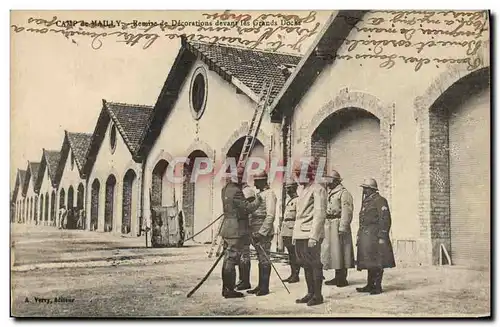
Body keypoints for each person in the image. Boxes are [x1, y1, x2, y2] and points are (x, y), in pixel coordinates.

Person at [220, 165, 261, 299]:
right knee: (232, 259)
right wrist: (258, 201)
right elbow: (247, 208)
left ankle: (225, 288)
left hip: (227, 228)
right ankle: (229, 290)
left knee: (227, 259)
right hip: (236, 229)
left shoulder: (225, 189)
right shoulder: (237, 191)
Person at [292, 163, 327, 306]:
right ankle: (310, 293)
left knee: (314, 264)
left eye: (299, 174)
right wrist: (295, 235)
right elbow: (299, 215)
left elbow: (320, 213)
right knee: (305, 264)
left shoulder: (318, 189)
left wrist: (314, 236)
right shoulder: (303, 190)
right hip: (301, 233)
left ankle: (318, 295)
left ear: (308, 174)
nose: (297, 178)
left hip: (310, 234)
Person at [356, 178, 396, 295]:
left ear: (372, 189)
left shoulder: (380, 200)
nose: (364, 191)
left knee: (377, 261)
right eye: (364, 188)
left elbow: (385, 218)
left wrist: (382, 235)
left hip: (375, 236)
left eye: (366, 188)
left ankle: (377, 286)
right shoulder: (367, 201)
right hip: (367, 236)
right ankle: (369, 285)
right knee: (369, 261)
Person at [321, 171, 355, 287]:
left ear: (335, 181)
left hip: (338, 224)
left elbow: (347, 211)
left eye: (329, 180)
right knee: (334, 252)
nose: (327, 183)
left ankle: (342, 278)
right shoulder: (330, 192)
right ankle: (337, 276)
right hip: (330, 224)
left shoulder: (344, 193)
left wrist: (343, 227)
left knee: (342, 251)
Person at [246, 171, 277, 297]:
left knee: (264, 258)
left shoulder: (270, 194)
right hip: (255, 230)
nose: (254, 183)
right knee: (260, 258)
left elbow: (270, 215)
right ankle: (260, 285)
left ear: (263, 181)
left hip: (263, 231)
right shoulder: (260, 194)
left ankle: (265, 287)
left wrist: (261, 232)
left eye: (256, 181)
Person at [235, 185, 257, 291]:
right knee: (241, 257)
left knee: (244, 256)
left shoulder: (248, 191)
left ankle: (245, 281)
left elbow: (250, 208)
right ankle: (242, 280)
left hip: (246, 228)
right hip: (240, 228)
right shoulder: (240, 190)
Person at [281, 180, 300, 283]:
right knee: (290, 253)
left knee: (294, 253)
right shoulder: (289, 201)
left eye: (289, 188)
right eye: (286, 188)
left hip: (293, 229)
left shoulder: (298, 200)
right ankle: (292, 273)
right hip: (286, 230)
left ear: (295, 188)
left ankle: (295, 275)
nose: (287, 190)